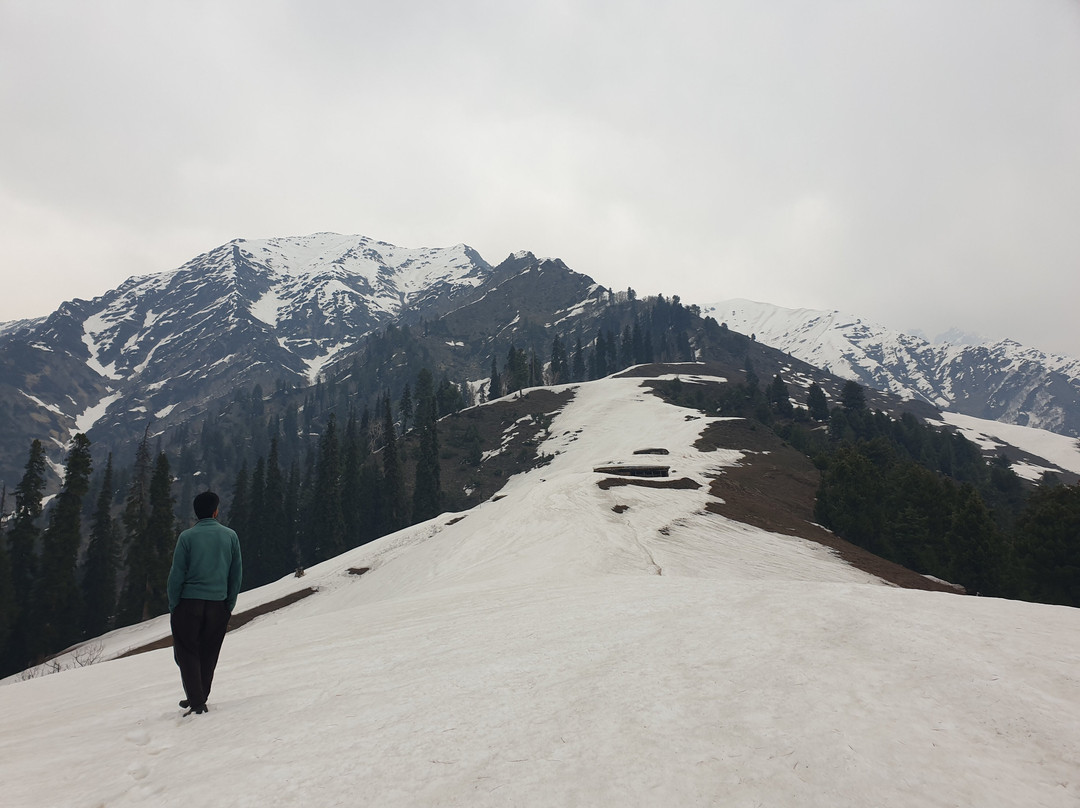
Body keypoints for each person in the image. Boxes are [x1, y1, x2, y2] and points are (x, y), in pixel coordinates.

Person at [167, 490, 242, 716]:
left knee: (187, 651)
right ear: (215, 510)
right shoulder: (230, 536)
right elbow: (235, 574)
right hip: (218, 603)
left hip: (189, 603)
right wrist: (229, 603)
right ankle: (198, 696)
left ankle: (196, 699)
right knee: (209, 651)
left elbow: (176, 575)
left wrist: (174, 604)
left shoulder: (187, 537)